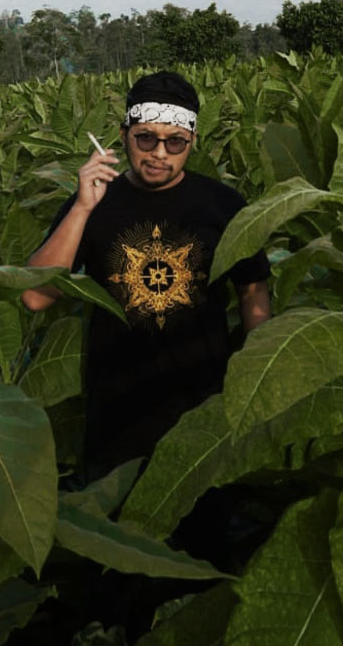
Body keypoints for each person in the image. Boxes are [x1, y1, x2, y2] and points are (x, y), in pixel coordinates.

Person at [23, 70, 271, 478]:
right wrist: (82, 208)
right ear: (123, 136)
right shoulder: (93, 202)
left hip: (205, 412)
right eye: (145, 138)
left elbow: (253, 289)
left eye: (175, 141)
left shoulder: (223, 205)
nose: (159, 153)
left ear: (192, 141)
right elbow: (35, 297)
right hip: (117, 416)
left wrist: (258, 371)